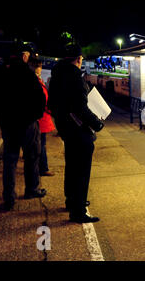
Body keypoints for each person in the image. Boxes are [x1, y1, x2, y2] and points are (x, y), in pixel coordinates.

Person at [0, 42, 47, 210]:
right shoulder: (28, 74)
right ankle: (31, 189)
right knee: (32, 156)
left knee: (10, 160)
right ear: (24, 56)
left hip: (8, 123)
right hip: (27, 123)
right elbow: (40, 100)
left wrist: (0, 115)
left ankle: (9, 197)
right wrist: (34, 116)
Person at [48, 43, 104, 223]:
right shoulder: (74, 77)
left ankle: (72, 201)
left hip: (65, 128)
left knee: (72, 166)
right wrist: (97, 124)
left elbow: (53, 104)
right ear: (79, 59)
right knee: (81, 170)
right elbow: (81, 107)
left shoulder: (56, 75)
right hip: (79, 130)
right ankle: (78, 210)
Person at [28, 58, 55, 177]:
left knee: (40, 144)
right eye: (39, 67)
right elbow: (43, 100)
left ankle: (42, 167)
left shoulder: (37, 81)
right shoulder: (36, 82)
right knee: (41, 145)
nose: (40, 69)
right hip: (41, 118)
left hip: (41, 117)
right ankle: (43, 168)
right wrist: (50, 109)